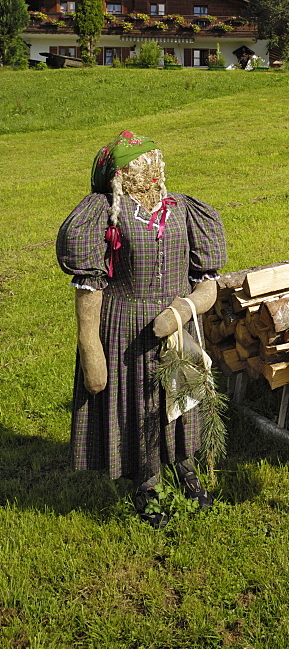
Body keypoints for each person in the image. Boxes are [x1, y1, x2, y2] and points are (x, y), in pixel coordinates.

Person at [56, 130, 226, 527]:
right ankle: (146, 481)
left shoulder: (184, 209)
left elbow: (208, 281)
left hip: (175, 325)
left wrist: (184, 308)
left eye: (153, 162)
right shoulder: (103, 213)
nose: (149, 170)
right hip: (125, 328)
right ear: (117, 175)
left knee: (180, 400)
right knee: (137, 406)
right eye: (137, 166)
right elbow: (90, 287)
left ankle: (183, 465)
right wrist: (90, 349)